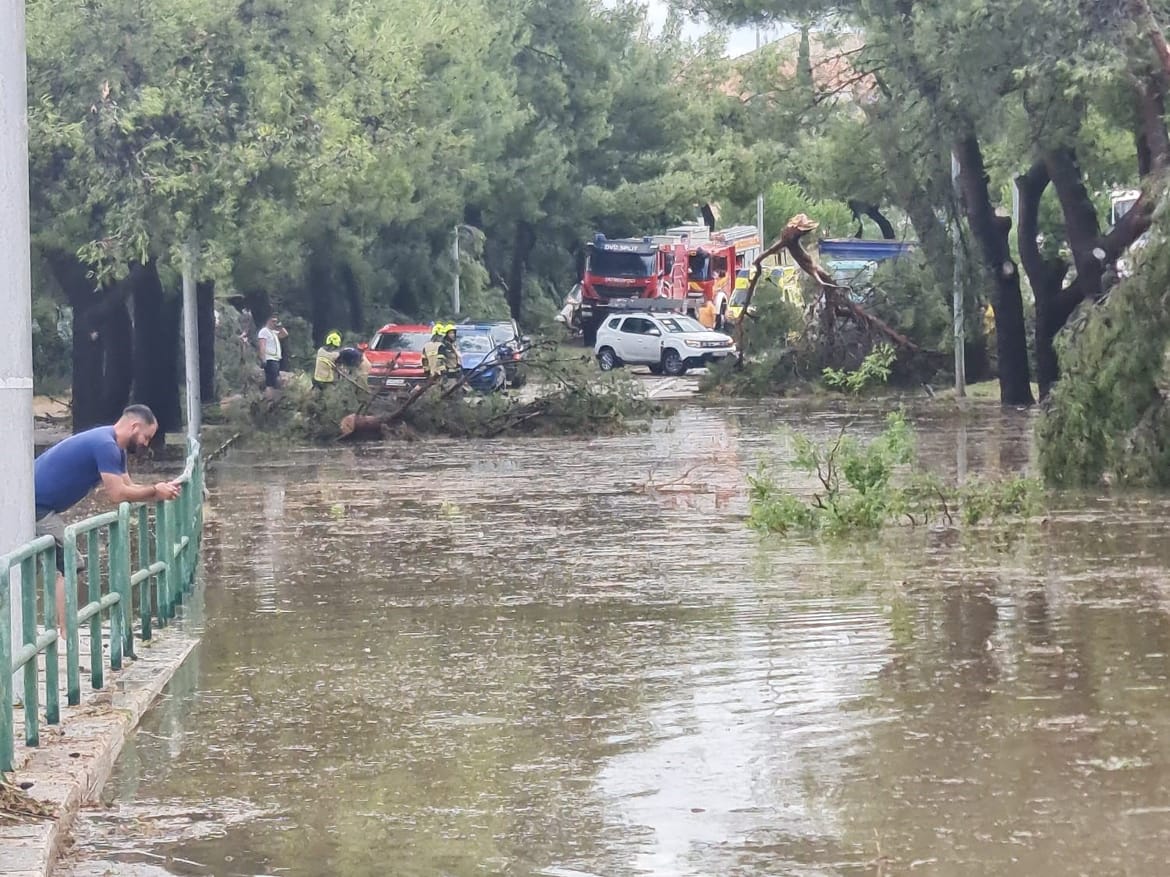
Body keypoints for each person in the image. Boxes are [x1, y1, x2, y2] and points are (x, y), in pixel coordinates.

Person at [34, 405, 182, 632]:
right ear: (134, 427)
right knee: (71, 564)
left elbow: (129, 487)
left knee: (30, 565)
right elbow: (117, 494)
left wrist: (159, 491)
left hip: (38, 504)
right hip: (35, 506)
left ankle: (57, 630)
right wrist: (155, 490)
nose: (146, 444)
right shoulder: (106, 445)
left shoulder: (115, 447)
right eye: (146, 437)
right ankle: (64, 633)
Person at [257, 314, 288, 399]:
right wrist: (263, 359)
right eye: (273, 321)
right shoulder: (264, 331)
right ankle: (269, 398)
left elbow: (285, 334)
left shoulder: (274, 332)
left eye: (276, 321)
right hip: (270, 359)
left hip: (276, 359)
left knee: (275, 380)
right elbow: (262, 345)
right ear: (268, 321)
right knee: (272, 381)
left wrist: (280, 326)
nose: (275, 323)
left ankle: (272, 397)